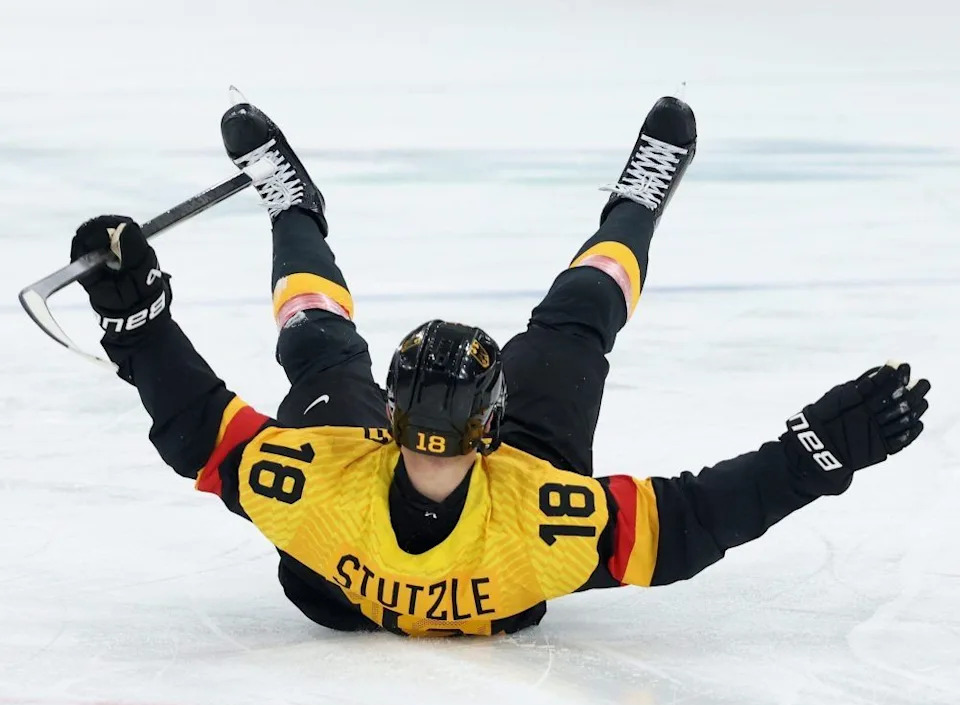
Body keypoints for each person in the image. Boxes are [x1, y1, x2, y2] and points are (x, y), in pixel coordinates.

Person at [70, 95, 931, 637]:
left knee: (354, 341)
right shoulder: (511, 514)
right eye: (421, 434)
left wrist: (140, 326)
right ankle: (298, 209)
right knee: (354, 338)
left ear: (484, 429)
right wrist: (810, 459)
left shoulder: (498, 507)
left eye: (444, 435)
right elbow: (693, 523)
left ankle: (633, 203)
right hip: (427, 546)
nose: (431, 452)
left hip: (424, 531)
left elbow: (197, 430)